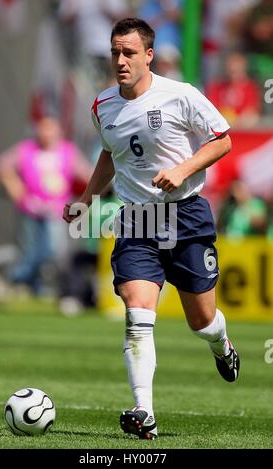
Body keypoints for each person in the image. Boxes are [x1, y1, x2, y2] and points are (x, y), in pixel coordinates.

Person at [63, 18, 240, 440]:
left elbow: (222, 139)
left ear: (148, 55)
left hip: (186, 216)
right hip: (137, 220)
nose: (120, 61)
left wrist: (181, 169)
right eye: (114, 52)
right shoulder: (102, 104)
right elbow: (110, 153)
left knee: (202, 320)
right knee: (138, 313)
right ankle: (144, 411)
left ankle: (222, 345)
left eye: (128, 52)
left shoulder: (180, 95)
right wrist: (87, 198)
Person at [0, 114, 91, 296]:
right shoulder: (27, 149)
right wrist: (14, 187)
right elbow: (3, 164)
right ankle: (24, 284)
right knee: (29, 250)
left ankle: (42, 284)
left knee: (55, 250)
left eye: (50, 128)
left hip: (56, 211)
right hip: (30, 209)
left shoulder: (67, 152)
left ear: (58, 131)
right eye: (43, 128)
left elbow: (87, 173)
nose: (46, 133)